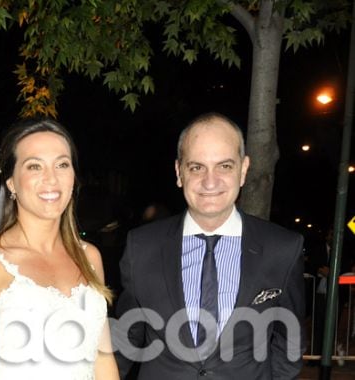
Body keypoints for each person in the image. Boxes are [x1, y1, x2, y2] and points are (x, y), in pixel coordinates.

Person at [114, 112, 305, 379]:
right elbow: (125, 341)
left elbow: (289, 344)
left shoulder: (283, 248)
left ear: (244, 169)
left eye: (224, 166)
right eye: (197, 167)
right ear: (179, 172)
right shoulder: (141, 247)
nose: (210, 181)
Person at [0, 119, 119, 379]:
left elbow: (104, 362)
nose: (51, 178)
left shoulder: (90, 257)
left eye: (62, 164)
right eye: (34, 166)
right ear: (11, 182)